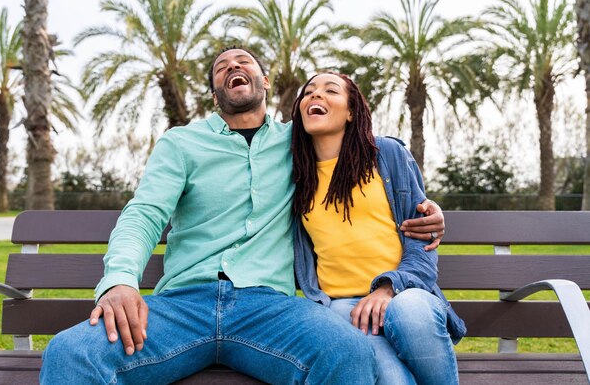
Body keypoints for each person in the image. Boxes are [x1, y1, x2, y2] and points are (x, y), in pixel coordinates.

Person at [40, 47, 443, 384]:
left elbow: (360, 155)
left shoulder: (297, 142)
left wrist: (428, 208)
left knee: (347, 350)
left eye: (244, 61)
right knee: (70, 353)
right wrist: (121, 281)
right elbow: (143, 215)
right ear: (216, 93)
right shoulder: (182, 143)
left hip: (269, 308)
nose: (233, 66)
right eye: (222, 66)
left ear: (264, 82)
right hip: (182, 306)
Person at [291, 72, 466, 385]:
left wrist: (388, 288)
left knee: (409, 311)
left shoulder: (387, 156)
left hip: (405, 290)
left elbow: (421, 242)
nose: (315, 96)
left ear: (351, 112)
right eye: (308, 92)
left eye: (330, 90)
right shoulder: (293, 172)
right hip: (342, 305)